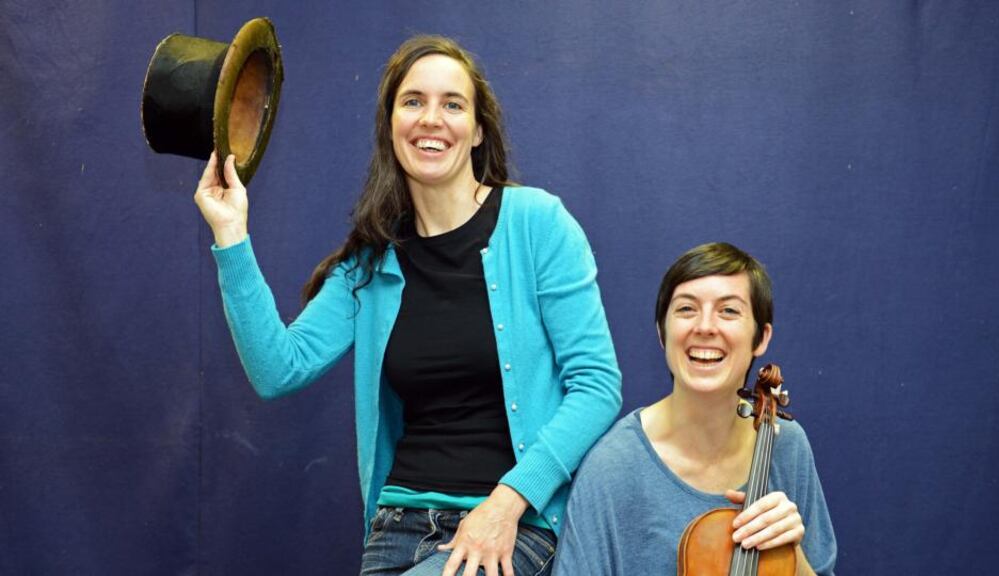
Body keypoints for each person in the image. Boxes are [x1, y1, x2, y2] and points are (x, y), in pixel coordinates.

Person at [193, 35, 621, 576]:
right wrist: (231, 234)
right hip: (395, 530)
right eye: (413, 101)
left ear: (478, 130)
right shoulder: (372, 261)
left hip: (510, 530)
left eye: (453, 104)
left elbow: (596, 385)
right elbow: (278, 368)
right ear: (390, 126)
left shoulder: (537, 224)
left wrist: (509, 501)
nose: (431, 119)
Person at [552, 243, 836, 575]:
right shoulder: (612, 468)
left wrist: (794, 557)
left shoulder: (785, 444)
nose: (704, 327)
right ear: (662, 332)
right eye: (687, 309)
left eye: (729, 311)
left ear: (761, 338)